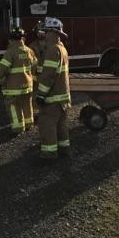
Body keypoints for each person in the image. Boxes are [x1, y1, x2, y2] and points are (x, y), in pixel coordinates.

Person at [36, 17, 72, 161]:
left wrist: (40, 95)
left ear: (53, 32)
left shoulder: (52, 50)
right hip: (63, 97)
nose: (44, 34)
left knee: (47, 125)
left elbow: (48, 76)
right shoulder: (62, 48)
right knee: (61, 125)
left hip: (52, 98)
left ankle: (49, 155)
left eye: (46, 31)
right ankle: (65, 150)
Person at [0, 27, 37, 135]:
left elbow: (3, 70)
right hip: (27, 85)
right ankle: (28, 124)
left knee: (14, 107)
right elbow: (35, 66)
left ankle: (18, 128)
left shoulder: (10, 52)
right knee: (27, 105)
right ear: (23, 38)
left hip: (14, 88)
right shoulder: (29, 51)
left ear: (11, 40)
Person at [29, 21, 46, 117]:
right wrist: (32, 76)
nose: (40, 33)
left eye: (42, 31)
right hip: (37, 77)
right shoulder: (32, 46)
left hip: (48, 75)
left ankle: (46, 112)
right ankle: (36, 114)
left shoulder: (51, 46)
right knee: (35, 95)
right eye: (38, 31)